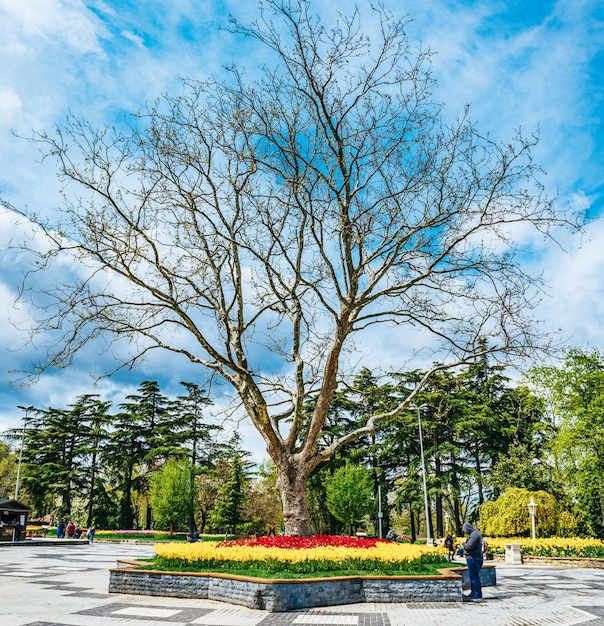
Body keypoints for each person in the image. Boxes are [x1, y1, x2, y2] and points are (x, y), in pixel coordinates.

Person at [462, 522, 484, 600]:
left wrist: (463, 543)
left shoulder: (474, 535)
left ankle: (477, 594)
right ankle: (473, 592)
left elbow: (469, 546)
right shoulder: (475, 534)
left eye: (465, 530)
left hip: (474, 558)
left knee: (474, 577)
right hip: (475, 557)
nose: (465, 532)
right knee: (473, 577)